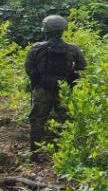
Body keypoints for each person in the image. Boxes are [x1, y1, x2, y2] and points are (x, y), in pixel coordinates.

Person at [24, 15, 86, 161]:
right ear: (62, 30)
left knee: (37, 121)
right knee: (65, 121)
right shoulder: (73, 48)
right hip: (63, 89)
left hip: (42, 90)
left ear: (46, 30)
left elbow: (29, 68)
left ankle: (34, 155)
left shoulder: (36, 48)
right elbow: (83, 66)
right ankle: (63, 153)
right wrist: (70, 74)